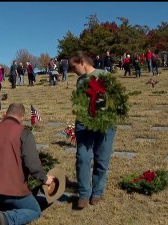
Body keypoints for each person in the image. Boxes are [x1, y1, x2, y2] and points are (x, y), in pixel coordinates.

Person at [0, 103, 54, 225]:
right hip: (12, 191)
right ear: (22, 117)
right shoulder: (23, 132)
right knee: (35, 210)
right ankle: (7, 219)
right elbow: (32, 163)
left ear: (6, 114)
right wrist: (45, 179)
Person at [69, 51, 117, 210]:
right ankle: (83, 193)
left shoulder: (104, 75)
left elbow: (113, 99)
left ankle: (97, 192)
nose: (73, 70)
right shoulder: (80, 80)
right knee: (82, 157)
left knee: (101, 158)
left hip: (104, 122)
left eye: (73, 67)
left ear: (82, 62)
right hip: (84, 123)